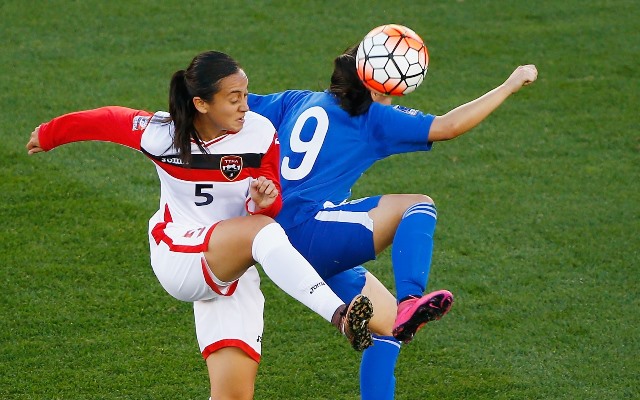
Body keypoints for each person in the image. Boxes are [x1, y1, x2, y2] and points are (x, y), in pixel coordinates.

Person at [26, 50, 375, 400]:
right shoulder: (163, 134)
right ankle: (340, 316)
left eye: (245, 94)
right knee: (262, 233)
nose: (244, 105)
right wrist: (49, 133)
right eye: (233, 98)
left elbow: (266, 203)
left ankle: (340, 317)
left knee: (233, 395)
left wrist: (264, 200)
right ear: (202, 104)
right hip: (179, 255)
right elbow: (108, 120)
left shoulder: (260, 132)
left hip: (231, 267)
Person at [247, 44, 538, 399]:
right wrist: (510, 84)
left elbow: (239, 104)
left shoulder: (298, 100)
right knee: (417, 207)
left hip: (274, 238)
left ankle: (401, 321)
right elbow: (448, 126)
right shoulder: (373, 118)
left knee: (387, 326)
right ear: (374, 87)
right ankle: (412, 297)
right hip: (310, 229)